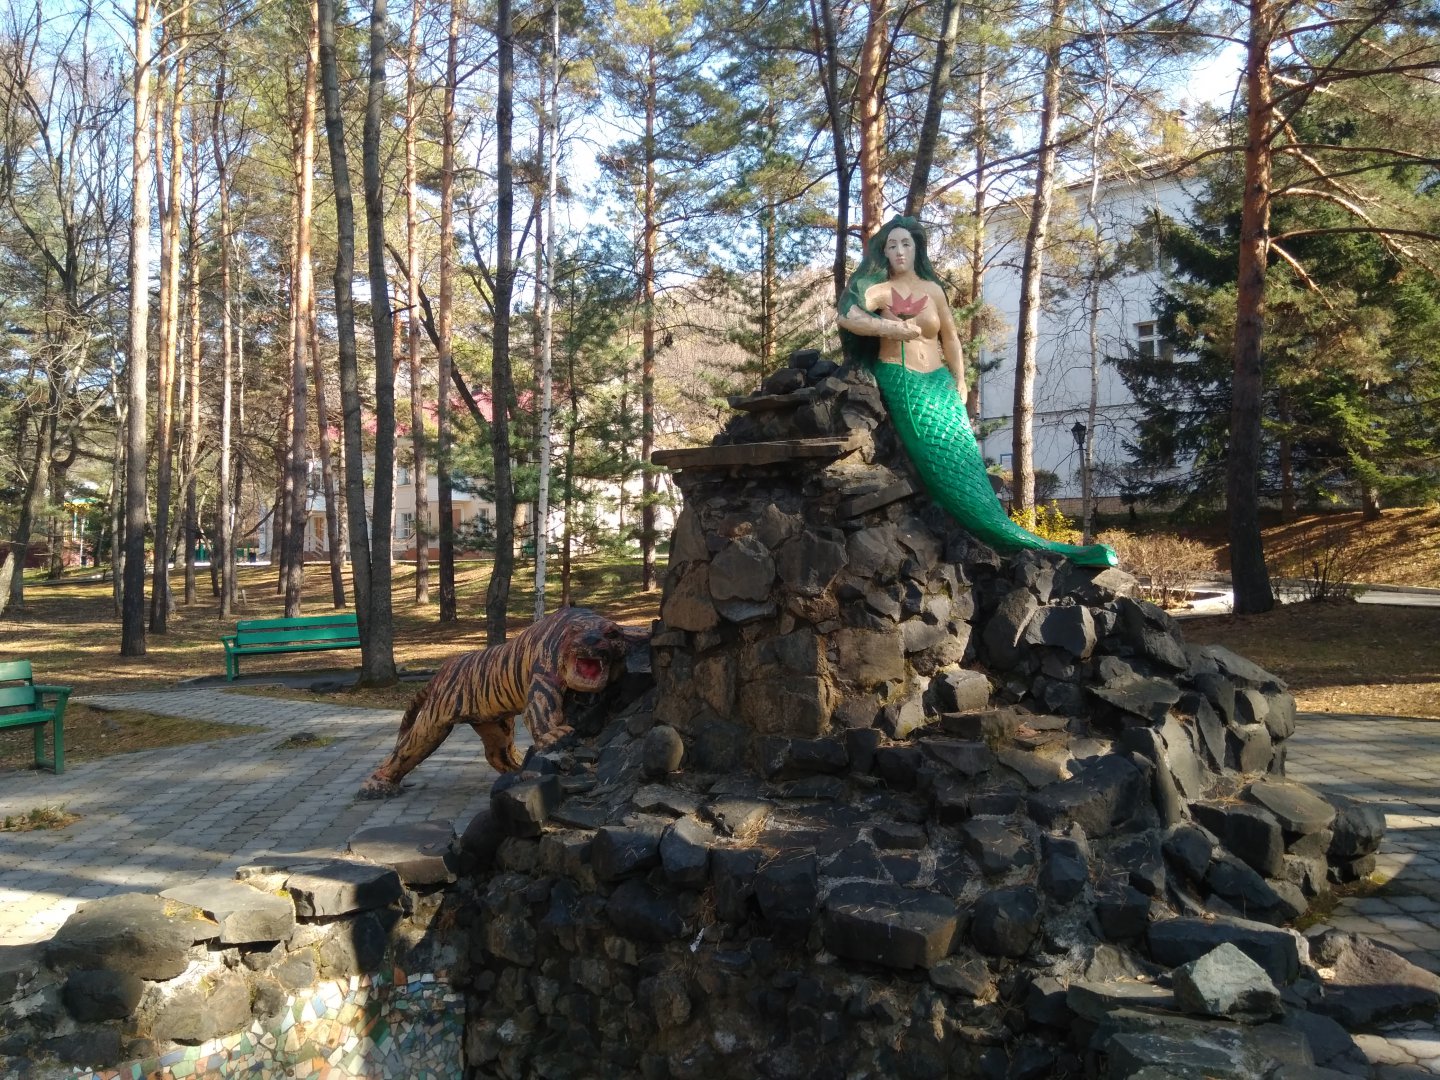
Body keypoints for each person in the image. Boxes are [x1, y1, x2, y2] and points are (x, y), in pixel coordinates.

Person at [837, 214, 1117, 568]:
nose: (899, 251)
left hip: (938, 380)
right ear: (884, 252)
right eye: (892, 245)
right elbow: (848, 315)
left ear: (918, 248)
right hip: (901, 376)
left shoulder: (932, 290)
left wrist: (959, 379)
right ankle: (999, 532)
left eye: (906, 243)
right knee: (938, 460)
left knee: (964, 456)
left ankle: (1017, 534)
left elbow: (951, 338)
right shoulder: (880, 289)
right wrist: (890, 328)